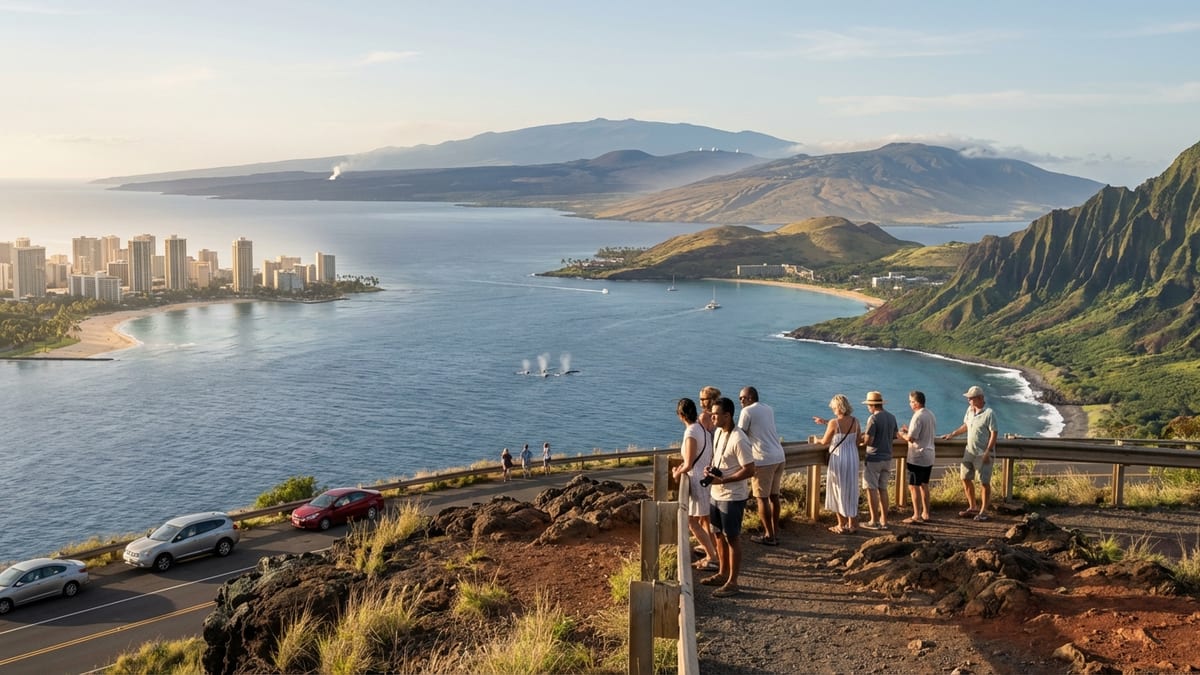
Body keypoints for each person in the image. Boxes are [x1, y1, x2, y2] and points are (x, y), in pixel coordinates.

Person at [702, 396, 756, 598]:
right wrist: (712, 470)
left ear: (728, 415)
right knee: (718, 535)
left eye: (716, 414)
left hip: (732, 496)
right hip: (716, 493)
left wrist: (724, 480)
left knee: (732, 538)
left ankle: (733, 582)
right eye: (711, 414)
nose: (712, 417)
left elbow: (750, 469)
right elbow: (721, 459)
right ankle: (722, 573)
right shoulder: (718, 433)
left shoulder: (739, 438)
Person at [670, 397, 718, 570]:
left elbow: (689, 463)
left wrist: (677, 472)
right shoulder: (702, 429)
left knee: (692, 522)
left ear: (681, 415)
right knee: (704, 519)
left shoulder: (691, 432)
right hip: (705, 479)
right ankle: (713, 553)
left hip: (697, 480)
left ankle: (712, 557)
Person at [737, 386, 786, 546]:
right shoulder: (768, 408)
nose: (740, 401)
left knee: (761, 498)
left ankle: (769, 536)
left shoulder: (747, 412)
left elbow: (740, 434)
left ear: (750, 398)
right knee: (774, 496)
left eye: (742, 398)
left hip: (763, 459)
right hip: (779, 456)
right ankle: (775, 531)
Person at [942, 385, 998, 521]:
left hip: (982, 453)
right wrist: (953, 434)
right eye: (968, 398)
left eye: (971, 398)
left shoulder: (989, 413)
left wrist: (987, 452)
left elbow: (994, 433)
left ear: (980, 398)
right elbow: (966, 426)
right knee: (965, 477)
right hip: (970, 450)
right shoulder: (970, 410)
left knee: (984, 482)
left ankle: (983, 511)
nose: (968, 401)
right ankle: (973, 507)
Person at [813, 394, 861, 534]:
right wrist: (825, 422)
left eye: (834, 407)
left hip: (839, 458)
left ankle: (841, 524)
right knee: (851, 489)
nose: (833, 409)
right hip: (852, 457)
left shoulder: (834, 423)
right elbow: (857, 441)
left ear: (839, 407)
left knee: (837, 488)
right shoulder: (855, 421)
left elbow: (825, 441)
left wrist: (816, 440)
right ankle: (852, 524)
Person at [859, 391, 898, 530]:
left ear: (872, 405)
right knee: (883, 489)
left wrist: (861, 441)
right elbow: (894, 436)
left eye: (868, 405)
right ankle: (884, 521)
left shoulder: (873, 419)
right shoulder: (892, 417)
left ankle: (873, 521)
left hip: (874, 458)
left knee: (871, 489)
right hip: (887, 457)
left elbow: (869, 440)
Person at [897, 390, 936, 524]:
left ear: (916, 403)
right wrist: (909, 431)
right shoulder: (930, 414)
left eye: (911, 401)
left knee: (914, 485)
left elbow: (911, 438)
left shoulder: (917, 416)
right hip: (929, 454)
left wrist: (902, 434)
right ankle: (926, 513)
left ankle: (916, 515)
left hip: (918, 456)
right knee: (924, 485)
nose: (910, 404)